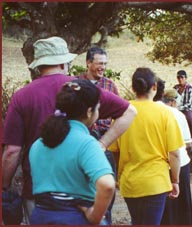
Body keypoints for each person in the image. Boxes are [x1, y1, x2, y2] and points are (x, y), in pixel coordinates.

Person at [1, 36, 137, 224]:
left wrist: (4, 186)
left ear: (38, 65)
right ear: (65, 62)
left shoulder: (22, 98)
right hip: (81, 199)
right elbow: (130, 111)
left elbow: (12, 151)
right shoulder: (81, 91)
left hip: (38, 196)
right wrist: (103, 143)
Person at [29, 80, 115, 225]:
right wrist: (95, 216)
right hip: (75, 218)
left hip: (40, 216)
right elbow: (107, 184)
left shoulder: (38, 144)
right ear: (89, 112)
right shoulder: (87, 144)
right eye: (97, 108)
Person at [108, 67, 183, 225]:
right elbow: (175, 154)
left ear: (133, 88)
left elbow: (115, 150)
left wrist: (121, 175)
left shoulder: (122, 112)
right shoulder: (165, 113)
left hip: (130, 182)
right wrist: (175, 180)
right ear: (154, 87)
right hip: (155, 183)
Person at [78, 47, 119, 224]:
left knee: (106, 189)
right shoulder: (76, 83)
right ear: (88, 63)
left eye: (105, 64)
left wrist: (107, 139)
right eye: (99, 63)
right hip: (80, 142)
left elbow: (120, 114)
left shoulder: (110, 85)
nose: (103, 67)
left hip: (103, 143)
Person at [154, 85, 192, 225]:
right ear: (172, 102)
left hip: (157, 163)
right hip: (179, 163)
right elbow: (186, 143)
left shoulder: (149, 110)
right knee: (182, 204)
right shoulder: (177, 114)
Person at [173, 70, 192, 152]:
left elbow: (189, 104)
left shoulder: (190, 88)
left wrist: (178, 108)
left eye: (182, 77)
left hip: (186, 109)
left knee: (190, 120)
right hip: (176, 108)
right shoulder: (175, 88)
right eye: (178, 77)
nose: (180, 79)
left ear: (185, 78)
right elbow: (172, 98)